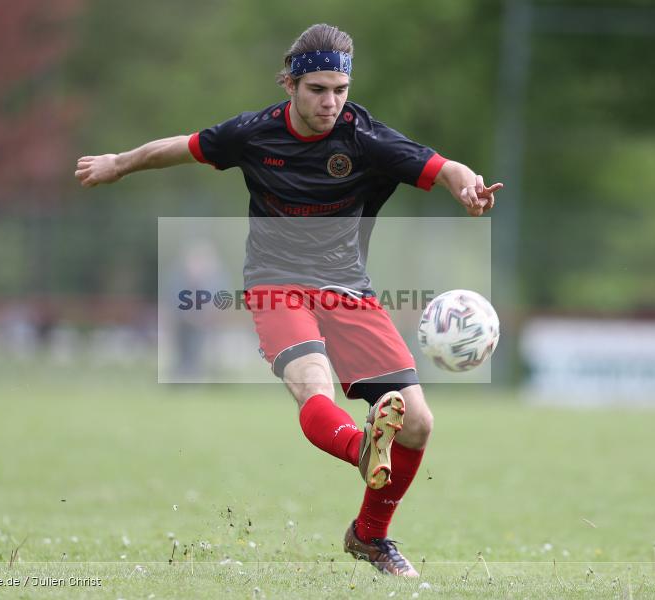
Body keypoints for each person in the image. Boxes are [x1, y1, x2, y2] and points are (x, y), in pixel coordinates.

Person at [75, 23, 501, 577]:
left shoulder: (365, 137)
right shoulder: (253, 133)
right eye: (317, 89)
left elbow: (444, 168)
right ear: (290, 85)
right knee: (313, 385)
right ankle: (361, 447)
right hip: (274, 283)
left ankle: (369, 536)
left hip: (346, 288)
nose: (330, 102)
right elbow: (178, 148)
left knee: (418, 423)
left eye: (340, 90)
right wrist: (118, 163)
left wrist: (467, 186)